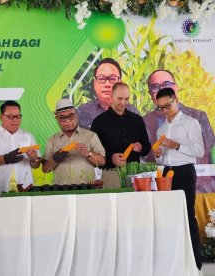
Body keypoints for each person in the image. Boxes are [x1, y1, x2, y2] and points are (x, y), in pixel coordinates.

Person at [152, 87, 204, 271]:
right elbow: (162, 158)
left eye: (168, 105)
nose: (165, 110)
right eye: (161, 108)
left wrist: (176, 145)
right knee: (169, 217)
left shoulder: (191, 123)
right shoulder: (161, 129)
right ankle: (175, 262)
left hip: (184, 172)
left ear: (177, 100)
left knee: (188, 216)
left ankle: (195, 264)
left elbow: (199, 151)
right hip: (167, 173)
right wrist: (158, 155)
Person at [143, 69, 215, 192]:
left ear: (176, 91)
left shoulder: (195, 118)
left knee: (187, 209)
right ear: (150, 94)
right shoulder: (150, 123)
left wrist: (176, 145)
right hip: (163, 176)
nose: (161, 89)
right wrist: (158, 155)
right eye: (155, 87)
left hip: (191, 175)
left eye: (167, 84)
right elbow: (158, 159)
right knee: (169, 209)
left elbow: (202, 152)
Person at [91, 82, 151, 187]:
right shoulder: (99, 122)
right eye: (119, 99)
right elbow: (93, 153)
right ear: (111, 96)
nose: (123, 103)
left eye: (126, 99)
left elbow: (146, 147)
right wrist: (111, 158)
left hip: (134, 175)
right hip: (110, 175)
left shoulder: (137, 120)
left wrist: (141, 147)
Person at [0, 100, 41, 196]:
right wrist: (6, 158)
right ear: (1, 117)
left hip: (25, 191)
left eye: (18, 116)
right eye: (10, 116)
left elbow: (37, 165)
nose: (15, 120)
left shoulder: (28, 136)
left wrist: (34, 159)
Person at [42, 99, 105, 184]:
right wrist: (55, 159)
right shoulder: (52, 140)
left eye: (70, 116)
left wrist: (88, 153)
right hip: (61, 189)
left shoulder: (91, 136)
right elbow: (45, 169)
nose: (67, 121)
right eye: (62, 118)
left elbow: (102, 162)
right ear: (57, 119)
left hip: (87, 188)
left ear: (76, 115)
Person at [77, 58, 139, 129]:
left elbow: (143, 138)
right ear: (94, 83)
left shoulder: (132, 111)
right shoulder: (83, 111)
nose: (107, 84)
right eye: (101, 79)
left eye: (112, 79)